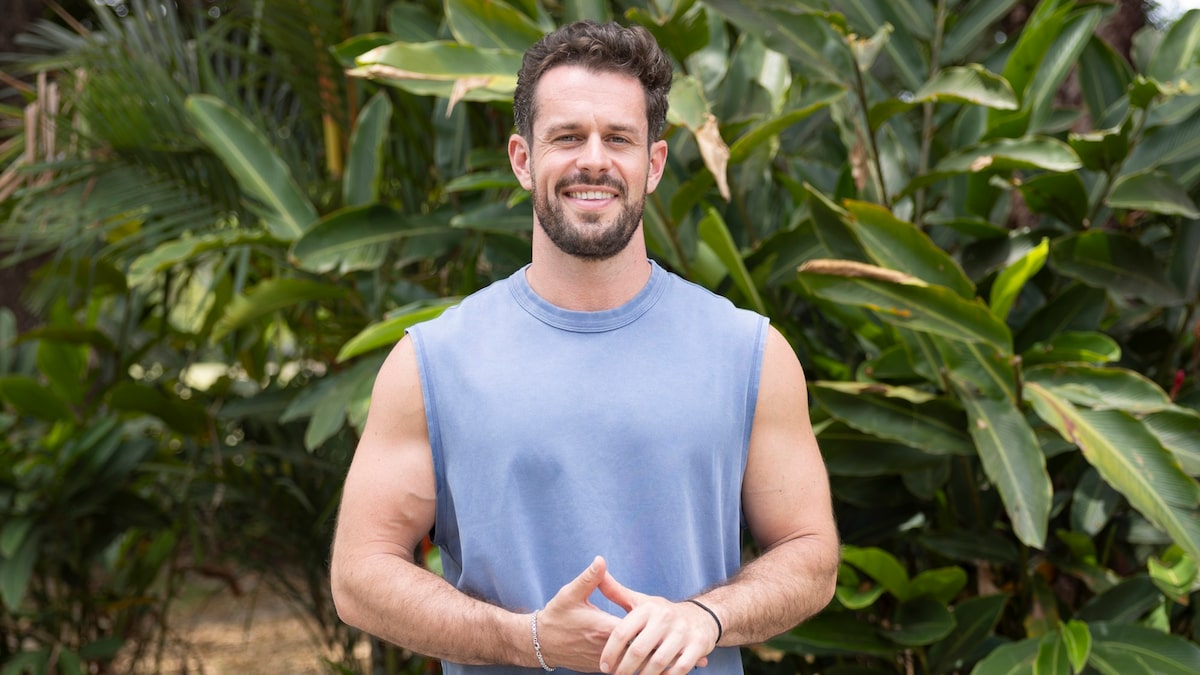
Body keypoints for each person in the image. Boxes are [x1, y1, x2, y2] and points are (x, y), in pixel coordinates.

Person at [330, 19, 839, 675]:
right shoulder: (432, 362)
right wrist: (526, 639)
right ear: (523, 159)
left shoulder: (749, 353)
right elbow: (359, 575)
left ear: (654, 164)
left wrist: (706, 617)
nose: (593, 160)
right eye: (567, 137)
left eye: (618, 138)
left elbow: (810, 553)